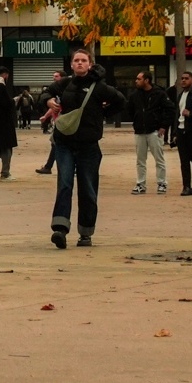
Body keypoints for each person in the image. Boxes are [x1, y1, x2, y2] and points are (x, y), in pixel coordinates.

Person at [40, 49, 124, 248]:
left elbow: (120, 100)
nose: (79, 63)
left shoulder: (99, 87)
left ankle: (85, 233)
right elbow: (46, 92)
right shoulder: (64, 83)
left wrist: (102, 114)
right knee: (65, 184)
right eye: (76, 60)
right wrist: (48, 100)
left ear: (90, 64)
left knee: (87, 188)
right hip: (64, 143)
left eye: (83, 60)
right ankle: (60, 229)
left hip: (89, 145)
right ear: (71, 65)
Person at [127, 71, 172, 195]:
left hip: (155, 131)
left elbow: (170, 109)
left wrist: (163, 125)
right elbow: (130, 109)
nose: (136, 81)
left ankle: (162, 183)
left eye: (139, 79)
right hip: (139, 131)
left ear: (147, 80)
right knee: (140, 160)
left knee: (159, 158)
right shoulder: (134, 95)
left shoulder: (159, 94)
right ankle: (140, 184)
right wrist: (136, 120)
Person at [35, 70, 63, 173]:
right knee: (55, 144)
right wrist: (45, 116)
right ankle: (48, 167)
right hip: (58, 123)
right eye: (53, 76)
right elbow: (54, 107)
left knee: (56, 144)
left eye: (56, 76)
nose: (54, 78)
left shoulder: (66, 91)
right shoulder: (55, 92)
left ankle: (48, 167)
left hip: (65, 123)